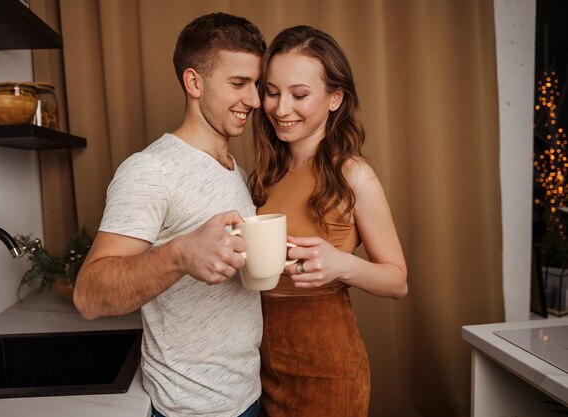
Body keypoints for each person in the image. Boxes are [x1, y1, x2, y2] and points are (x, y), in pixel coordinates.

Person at [73, 13, 266, 417]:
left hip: (247, 393)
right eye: (238, 84)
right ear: (194, 83)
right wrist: (179, 255)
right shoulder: (150, 170)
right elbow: (89, 295)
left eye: (256, 84)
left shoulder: (237, 170)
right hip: (190, 409)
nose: (255, 100)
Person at [249, 25, 408, 416]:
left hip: (329, 368)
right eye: (272, 92)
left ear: (336, 98)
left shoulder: (354, 174)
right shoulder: (265, 175)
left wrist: (342, 264)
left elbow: (398, 281)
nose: (281, 109)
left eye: (299, 95)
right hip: (261, 364)